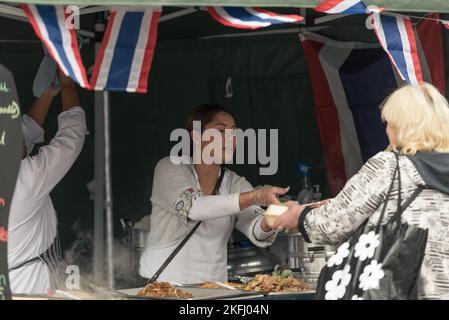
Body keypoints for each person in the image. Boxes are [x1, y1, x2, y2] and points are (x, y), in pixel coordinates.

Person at [273, 82, 449, 299]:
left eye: (390, 123)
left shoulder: (390, 165)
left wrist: (300, 216)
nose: (387, 130)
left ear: (403, 126)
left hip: (398, 290)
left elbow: (333, 223)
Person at [139, 104, 288, 284]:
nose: (230, 139)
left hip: (213, 290)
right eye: (220, 131)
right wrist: (255, 196)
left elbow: (258, 233)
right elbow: (194, 207)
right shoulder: (169, 168)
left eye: (234, 132)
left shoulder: (234, 183)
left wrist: (275, 214)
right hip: (164, 288)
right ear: (196, 136)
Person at [8, 70, 87, 295]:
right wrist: (67, 83)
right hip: (29, 287)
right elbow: (73, 136)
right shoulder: (25, 178)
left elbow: (24, 138)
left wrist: (47, 95)